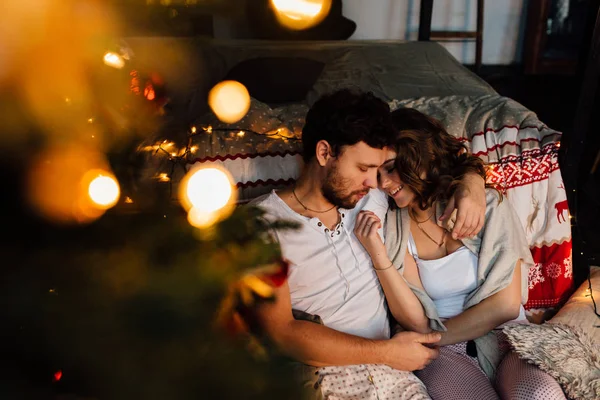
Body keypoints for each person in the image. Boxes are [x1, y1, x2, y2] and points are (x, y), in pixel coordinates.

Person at [251, 90, 487, 399]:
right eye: (363, 169)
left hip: (397, 381)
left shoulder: (374, 198)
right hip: (324, 381)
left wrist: (473, 184)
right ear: (324, 153)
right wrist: (386, 353)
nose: (375, 183)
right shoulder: (262, 224)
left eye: (379, 170)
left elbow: (443, 162)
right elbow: (283, 333)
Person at [354, 107, 566, 400]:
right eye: (377, 174)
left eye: (390, 168)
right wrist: (379, 257)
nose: (383, 184)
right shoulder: (394, 226)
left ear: (419, 156)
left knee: (541, 394)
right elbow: (414, 319)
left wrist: (431, 338)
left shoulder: (486, 204)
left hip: (508, 338)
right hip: (445, 355)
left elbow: (505, 305)